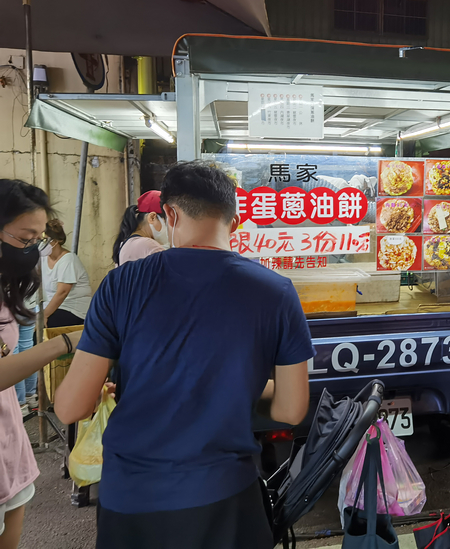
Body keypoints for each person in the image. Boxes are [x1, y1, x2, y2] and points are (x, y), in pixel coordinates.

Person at [55, 162, 314, 549]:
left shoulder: (122, 283)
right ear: (237, 221)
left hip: (131, 499)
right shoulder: (275, 291)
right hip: (226, 499)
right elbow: (292, 412)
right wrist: (240, 385)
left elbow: (70, 408)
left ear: (170, 215)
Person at [0, 179, 81, 549]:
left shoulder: (7, 288)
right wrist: (66, 342)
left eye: (38, 241)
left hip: (8, 444)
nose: (32, 250)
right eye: (24, 239)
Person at [40, 220, 92, 327]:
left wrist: (44, 315)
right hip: (52, 306)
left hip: (72, 309)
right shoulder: (43, 259)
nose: (40, 244)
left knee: (42, 325)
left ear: (55, 242)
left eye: (44, 240)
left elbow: (62, 292)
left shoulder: (68, 260)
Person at [112, 190, 169, 266]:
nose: (170, 228)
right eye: (167, 223)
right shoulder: (147, 245)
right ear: (152, 218)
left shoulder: (126, 244)